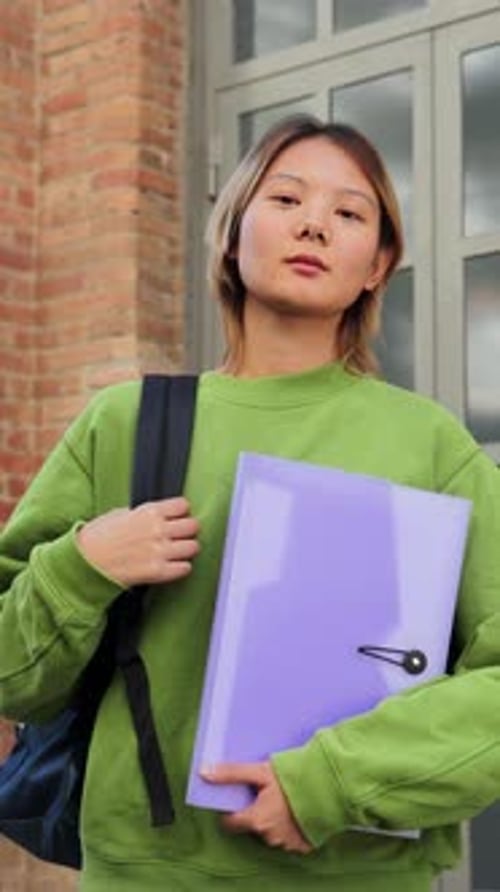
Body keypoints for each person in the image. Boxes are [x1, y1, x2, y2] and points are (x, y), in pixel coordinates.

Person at [1, 113, 500, 892]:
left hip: (357, 876)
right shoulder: (125, 425)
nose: (313, 224)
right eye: (287, 198)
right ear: (232, 234)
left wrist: (332, 782)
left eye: (349, 213)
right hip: (143, 875)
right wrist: (83, 566)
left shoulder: (429, 446)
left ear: (379, 265)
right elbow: (13, 675)